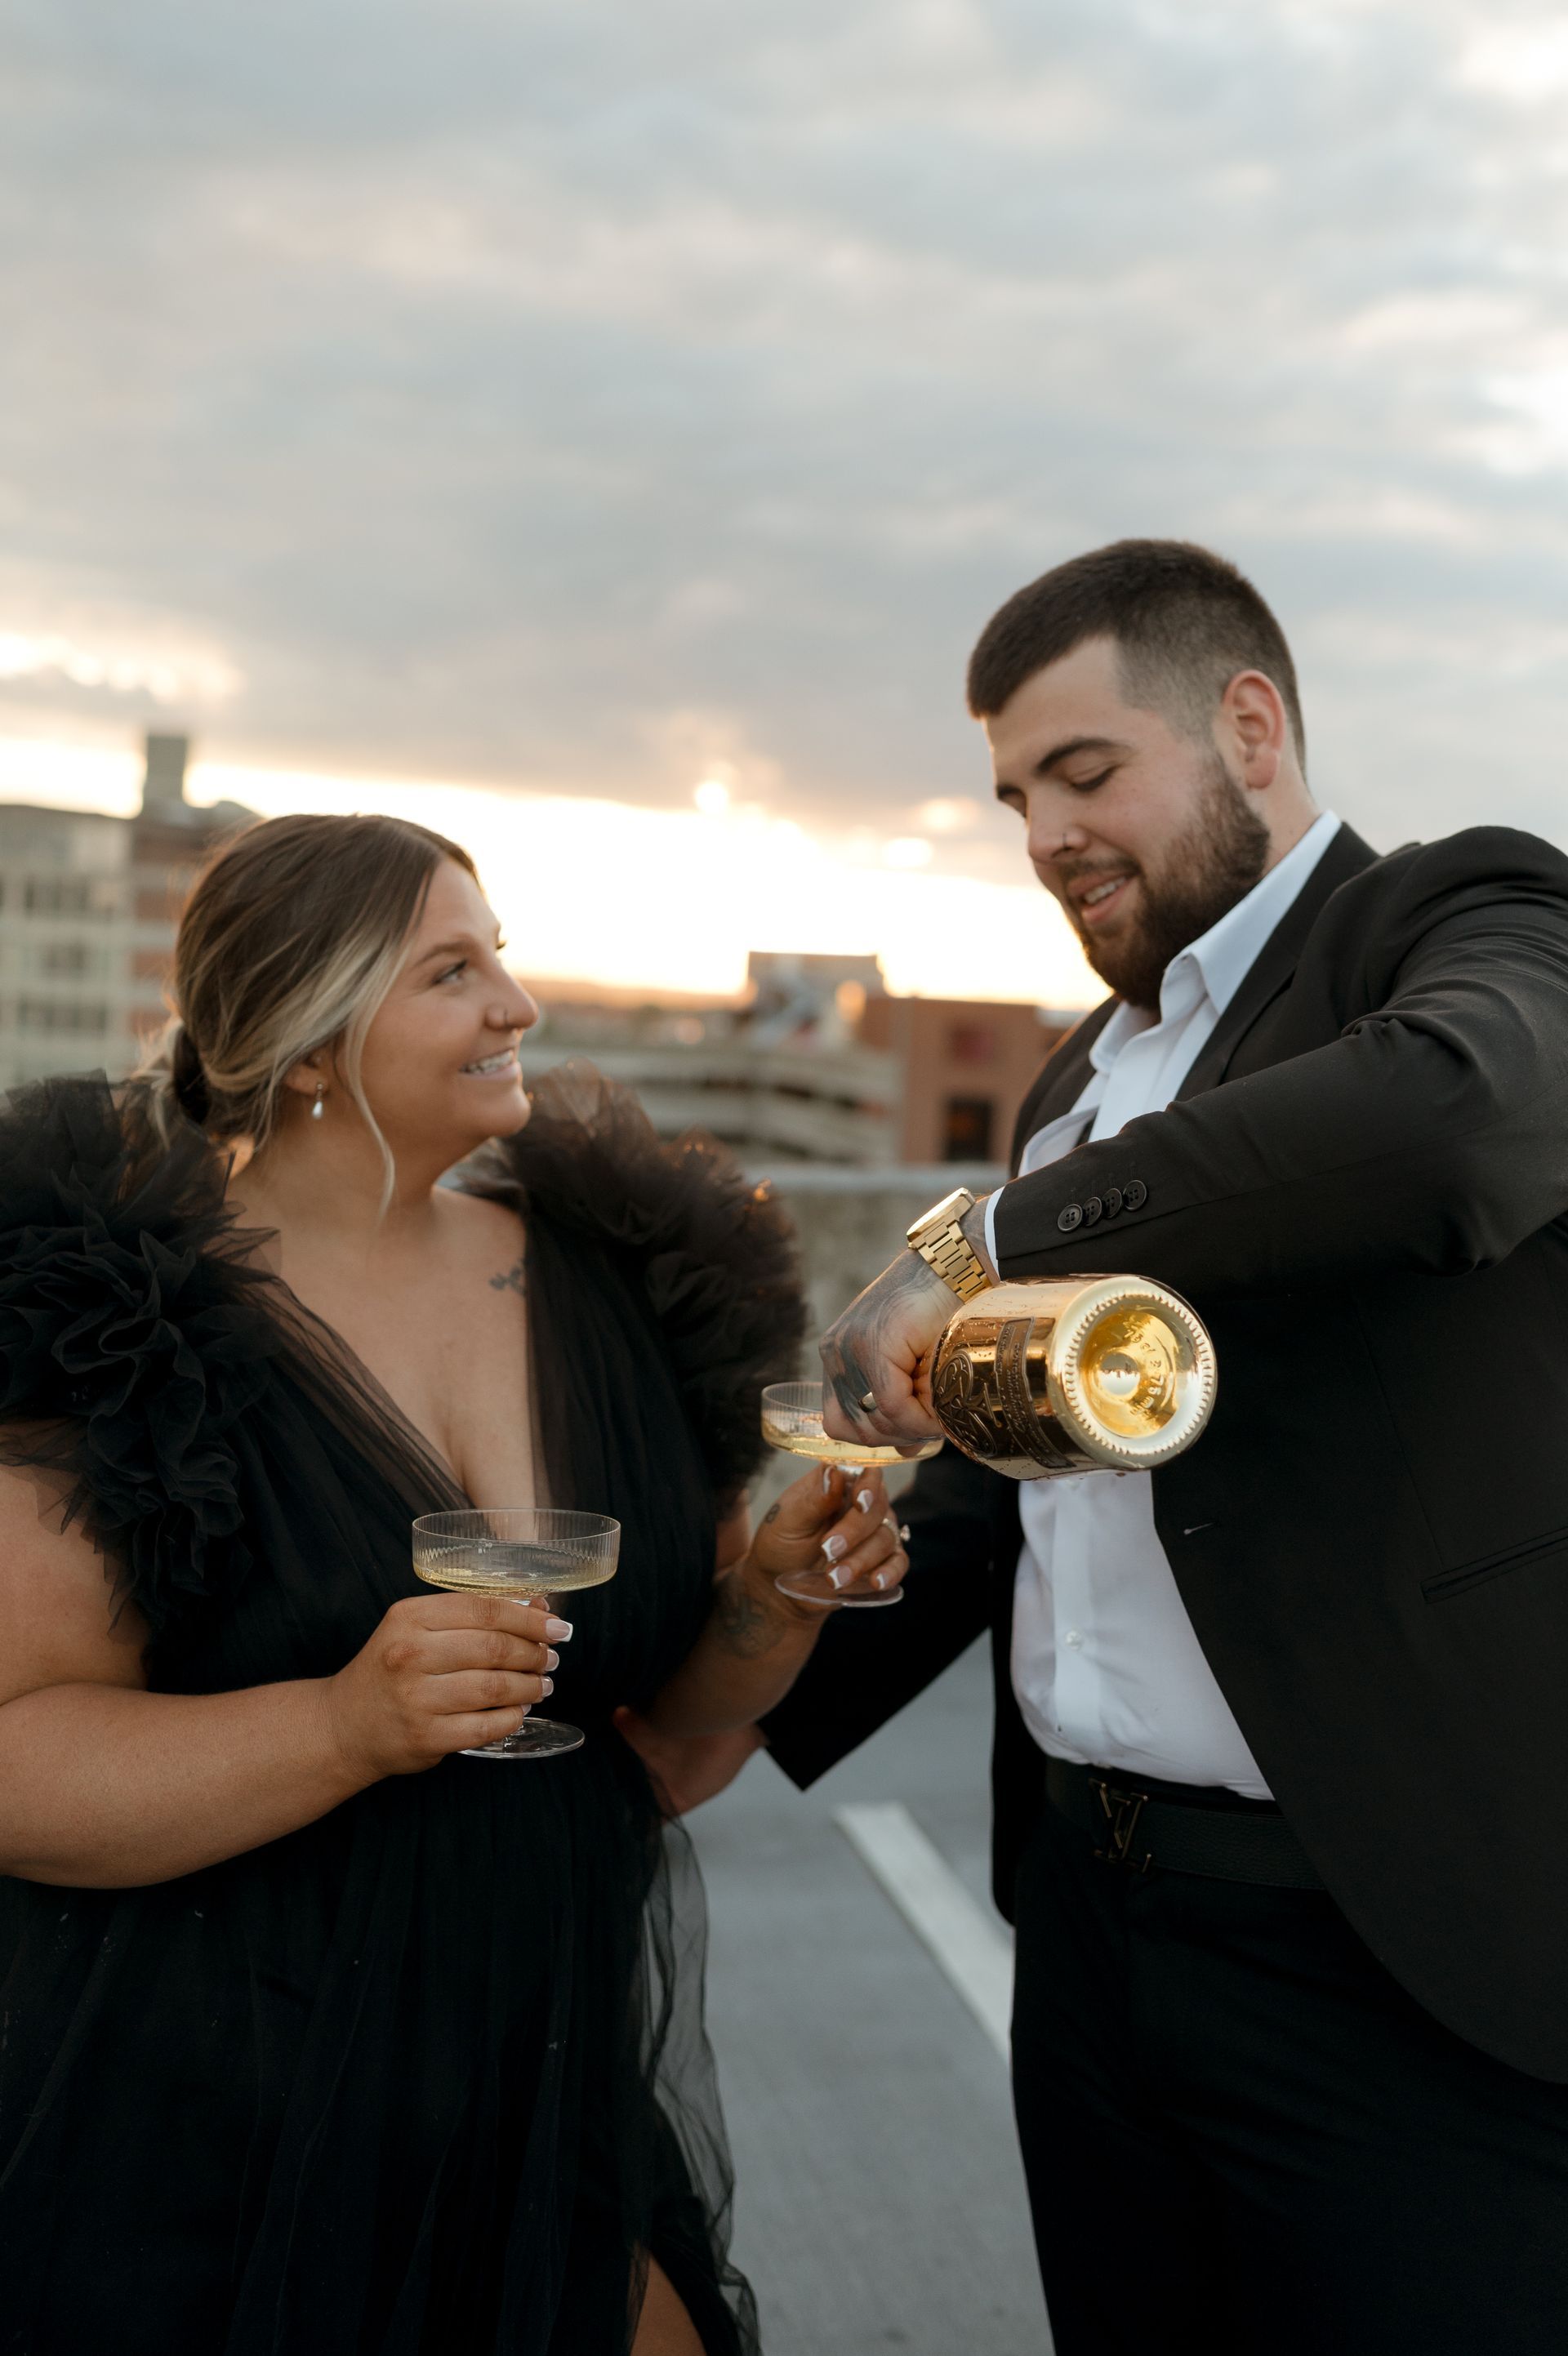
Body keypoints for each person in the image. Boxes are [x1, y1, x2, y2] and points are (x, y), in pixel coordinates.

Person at [664, 540, 1568, 2354]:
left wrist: (993, 1238)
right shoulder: (1073, 1074)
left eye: (1085, 775)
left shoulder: (1466, 919)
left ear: (1249, 726)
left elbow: (1455, 1136)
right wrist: (722, 1708)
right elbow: (1038, 1486)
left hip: (1391, 1939)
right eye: (1014, 798)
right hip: (1087, 1928)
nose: (1046, 833)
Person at [0, 811, 912, 2356]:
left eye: (501, 954)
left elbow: (663, 1745)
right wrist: (346, 1725)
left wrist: (773, 1595)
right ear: (303, 1040)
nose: (517, 1005)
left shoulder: (615, 1283)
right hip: (201, 2101)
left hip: (529, 2068)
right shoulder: (125, 1317)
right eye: (453, 969)